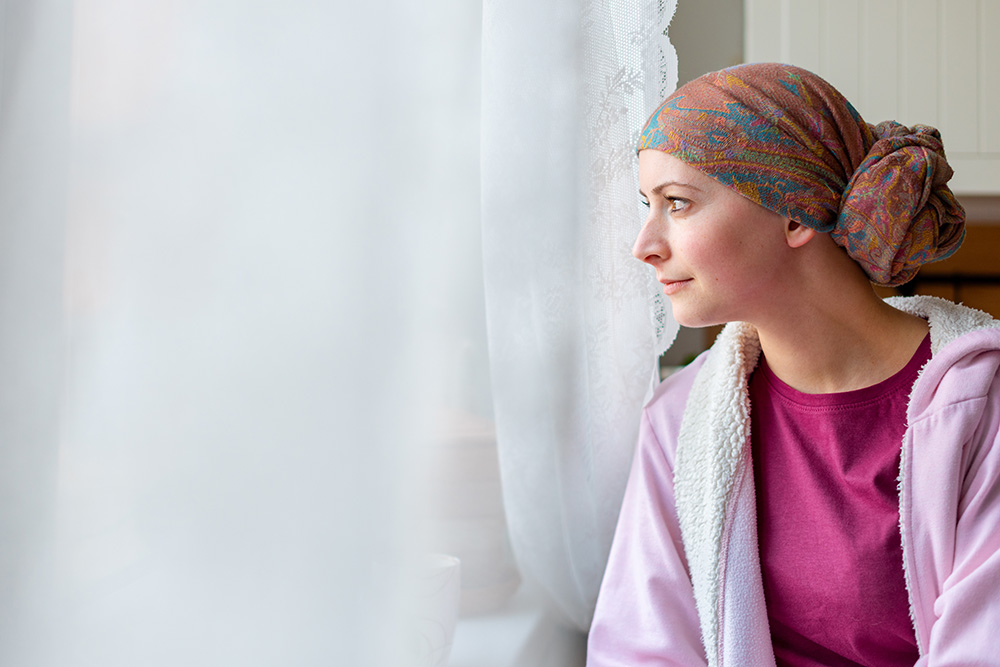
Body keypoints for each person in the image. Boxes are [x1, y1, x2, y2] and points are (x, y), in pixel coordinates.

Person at [586, 63, 1000, 666]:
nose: (644, 244)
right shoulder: (679, 424)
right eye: (647, 205)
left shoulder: (979, 408)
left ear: (796, 214)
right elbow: (639, 650)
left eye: (677, 203)